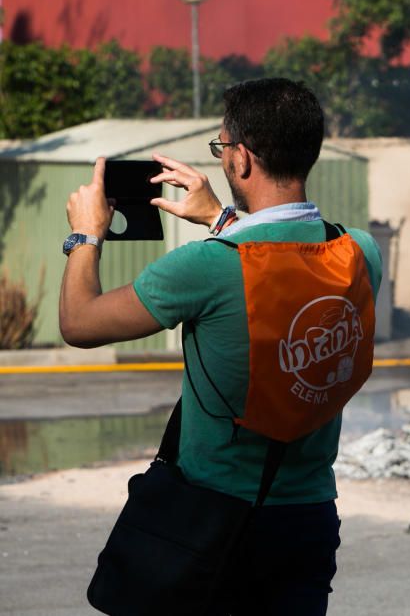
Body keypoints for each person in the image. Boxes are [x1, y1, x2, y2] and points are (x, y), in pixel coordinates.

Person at [60, 77, 381, 614]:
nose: (223, 157)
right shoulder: (360, 252)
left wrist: (86, 234)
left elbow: (79, 322)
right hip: (310, 518)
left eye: (222, 146)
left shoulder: (207, 266)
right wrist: (221, 218)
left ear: (243, 160)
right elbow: (280, 266)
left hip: (214, 523)